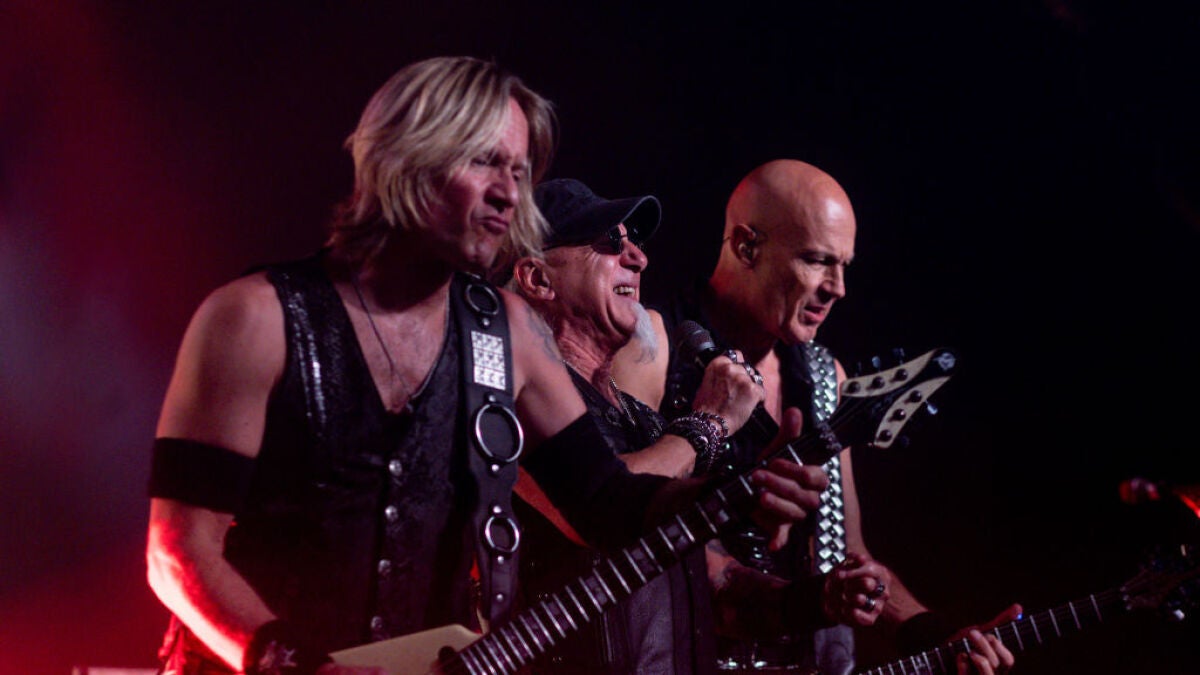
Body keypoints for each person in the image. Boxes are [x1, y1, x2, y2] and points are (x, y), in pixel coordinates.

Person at [143, 58, 825, 675]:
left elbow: (609, 505)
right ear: (404, 158)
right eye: (483, 162)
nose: (508, 194)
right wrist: (291, 665)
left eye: (520, 173)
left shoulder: (507, 332)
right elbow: (178, 550)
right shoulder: (254, 317)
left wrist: (737, 487)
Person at [612, 159, 1020, 675]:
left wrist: (933, 635)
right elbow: (617, 525)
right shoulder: (652, 346)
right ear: (746, 247)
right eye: (817, 260)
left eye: (844, 265)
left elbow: (846, 552)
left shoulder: (825, 378)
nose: (838, 287)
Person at [507, 178, 894, 674]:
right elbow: (603, 505)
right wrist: (711, 422)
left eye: (634, 243)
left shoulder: (643, 420)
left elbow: (720, 590)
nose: (638, 258)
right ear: (537, 279)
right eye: (609, 243)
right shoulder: (512, 401)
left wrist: (819, 600)